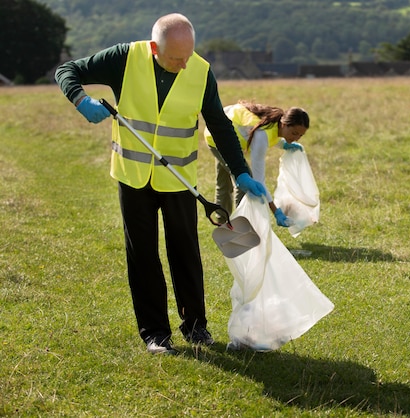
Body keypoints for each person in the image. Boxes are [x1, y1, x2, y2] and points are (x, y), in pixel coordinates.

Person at [55, 13, 267, 354]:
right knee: (143, 255)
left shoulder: (199, 70)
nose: (183, 65)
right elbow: (68, 71)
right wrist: (81, 100)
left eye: (187, 56)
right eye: (175, 58)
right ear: (155, 47)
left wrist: (241, 172)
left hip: (178, 178)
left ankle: (196, 327)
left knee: (185, 252)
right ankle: (155, 333)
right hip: (133, 176)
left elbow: (219, 122)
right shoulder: (124, 58)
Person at [204, 101, 309, 226]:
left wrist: (283, 144)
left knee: (224, 183)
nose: (296, 138)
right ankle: (240, 225)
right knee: (244, 182)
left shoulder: (274, 123)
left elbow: (270, 136)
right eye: (294, 133)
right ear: (284, 124)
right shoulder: (262, 135)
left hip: (218, 131)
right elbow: (259, 181)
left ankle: (223, 224)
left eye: (300, 135)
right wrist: (276, 212)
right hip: (217, 137)